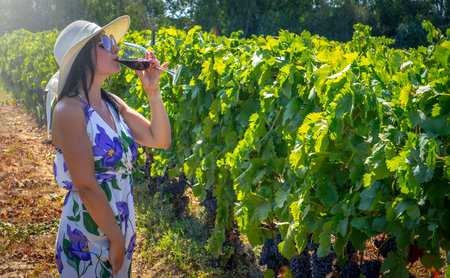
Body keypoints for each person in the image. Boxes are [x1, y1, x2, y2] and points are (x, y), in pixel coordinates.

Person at [45, 15, 171, 277]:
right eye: (105, 42)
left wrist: (153, 91)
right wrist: (115, 239)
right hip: (88, 232)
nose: (116, 48)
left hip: (121, 223)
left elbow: (160, 139)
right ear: (82, 57)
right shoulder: (69, 110)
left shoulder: (112, 102)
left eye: (113, 40)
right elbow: (86, 185)